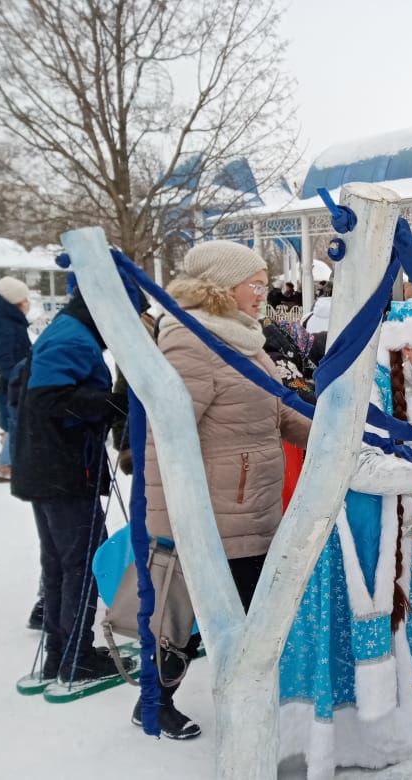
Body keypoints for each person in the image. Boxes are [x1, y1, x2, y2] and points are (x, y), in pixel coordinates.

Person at [279, 298, 412, 779]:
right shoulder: (360, 388)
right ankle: (347, 738)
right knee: (354, 624)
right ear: (407, 349)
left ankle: (387, 733)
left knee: (398, 623)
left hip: (403, 529)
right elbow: (358, 467)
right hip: (361, 531)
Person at [139, 240, 311, 739]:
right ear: (219, 288)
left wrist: (330, 431)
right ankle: (156, 703)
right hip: (214, 517)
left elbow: (275, 410)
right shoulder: (189, 342)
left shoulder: (243, 338)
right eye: (254, 285)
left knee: (250, 622)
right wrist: (171, 523)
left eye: (264, 284)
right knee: (193, 624)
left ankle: (250, 711)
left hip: (251, 507)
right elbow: (164, 438)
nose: (264, 293)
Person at [11, 286, 131, 685]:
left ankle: (61, 654)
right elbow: (48, 399)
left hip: (44, 467)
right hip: (62, 471)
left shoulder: (65, 330)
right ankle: (74, 657)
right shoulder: (74, 336)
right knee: (80, 562)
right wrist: (114, 404)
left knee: (61, 562)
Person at [0, 276, 32, 482]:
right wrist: (16, 376)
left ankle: (8, 458)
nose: (27, 303)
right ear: (14, 302)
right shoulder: (5, 323)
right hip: (10, 381)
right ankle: (5, 466)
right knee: (15, 420)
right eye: (24, 299)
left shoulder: (8, 319)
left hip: (12, 379)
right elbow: (3, 355)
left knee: (12, 419)